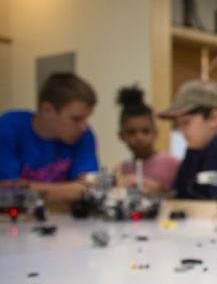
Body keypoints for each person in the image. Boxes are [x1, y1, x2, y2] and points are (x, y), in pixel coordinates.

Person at [0, 72, 99, 201]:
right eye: (76, 119)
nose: (83, 127)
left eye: (86, 119)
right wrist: (73, 189)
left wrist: (29, 188)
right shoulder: (8, 128)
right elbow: (8, 192)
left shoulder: (84, 135)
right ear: (47, 110)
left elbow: (91, 188)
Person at [159, 80, 217, 200]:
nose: (181, 130)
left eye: (186, 122)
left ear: (214, 118)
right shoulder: (194, 149)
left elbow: (212, 200)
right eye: (178, 124)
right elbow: (180, 192)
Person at [116, 85, 179, 194]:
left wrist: (160, 191)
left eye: (145, 131)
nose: (139, 138)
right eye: (131, 132)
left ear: (155, 132)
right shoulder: (122, 170)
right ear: (122, 136)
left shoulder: (173, 165)